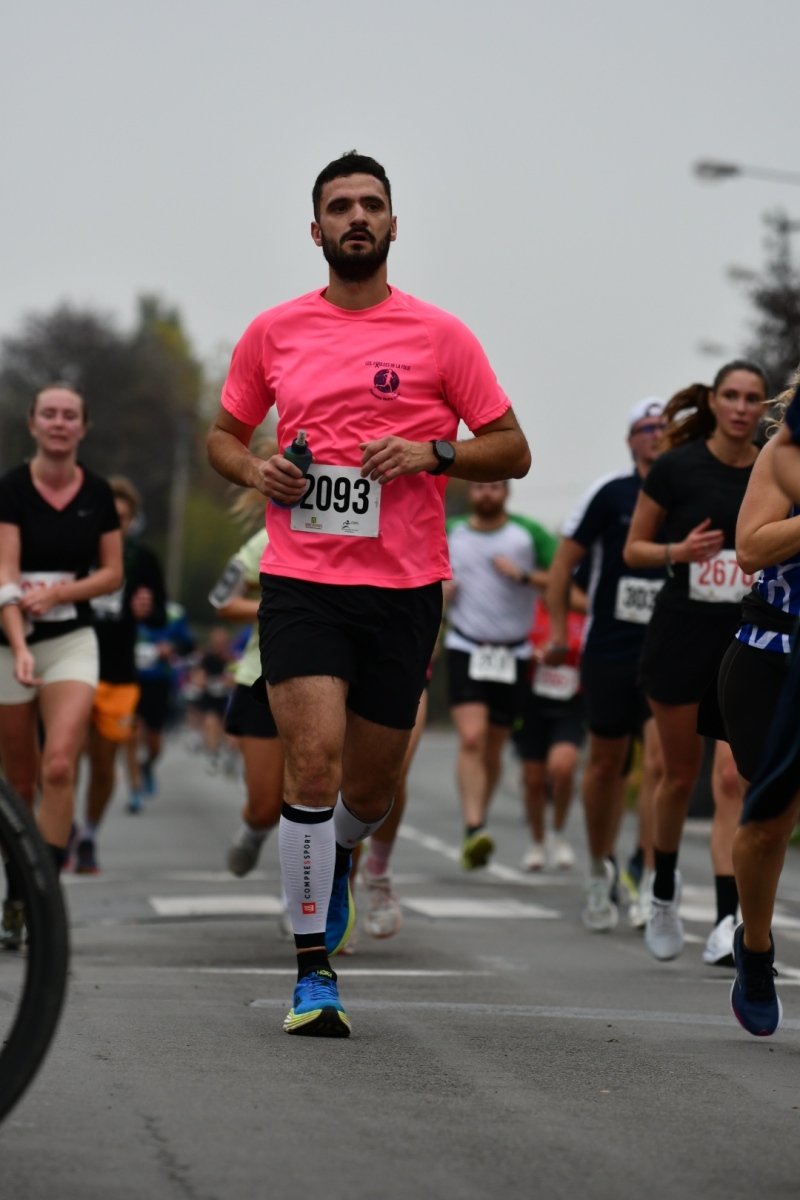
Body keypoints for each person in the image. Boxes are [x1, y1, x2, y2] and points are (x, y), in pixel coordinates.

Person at [207, 150, 530, 1037]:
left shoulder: (442, 336)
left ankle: (342, 854)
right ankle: (312, 973)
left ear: (393, 225)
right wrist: (258, 469)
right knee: (311, 767)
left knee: (372, 789)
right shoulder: (274, 331)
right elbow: (224, 437)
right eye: (341, 205)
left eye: (371, 204)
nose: (357, 216)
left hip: (405, 588)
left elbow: (512, 447)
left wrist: (436, 452)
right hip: (304, 580)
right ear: (316, 231)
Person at [624, 361, 766, 964]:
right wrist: (677, 552)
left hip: (745, 638)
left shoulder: (773, 467)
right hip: (681, 634)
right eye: (731, 395)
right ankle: (662, 889)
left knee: (733, 778)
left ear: (765, 408)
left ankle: (727, 919)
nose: (741, 407)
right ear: (712, 401)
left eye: (753, 398)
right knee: (678, 774)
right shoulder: (677, 466)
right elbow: (634, 549)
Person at [0, 384, 122, 943]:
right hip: (11, 643)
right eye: (48, 413)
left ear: (83, 428)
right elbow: (6, 577)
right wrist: (21, 646)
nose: (58, 422)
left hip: (71, 639)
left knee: (58, 766)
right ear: (32, 424)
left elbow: (112, 574)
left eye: (69, 415)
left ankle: (40, 896)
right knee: (20, 781)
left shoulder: (97, 493)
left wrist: (60, 594)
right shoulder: (10, 488)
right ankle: (16, 888)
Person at [546, 399, 665, 932]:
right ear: (630, 439)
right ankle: (599, 866)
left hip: (668, 647)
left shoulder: (687, 487)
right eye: (647, 426)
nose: (657, 434)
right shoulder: (609, 492)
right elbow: (562, 565)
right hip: (610, 647)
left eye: (665, 426)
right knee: (605, 765)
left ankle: (649, 873)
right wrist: (557, 632)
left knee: (661, 763)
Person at [715, 374, 800, 1035]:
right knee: (770, 825)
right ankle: (756, 945)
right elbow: (749, 549)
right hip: (774, 655)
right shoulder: (783, 455)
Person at [444, 482, 557, 868]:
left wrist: (524, 575)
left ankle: (479, 816)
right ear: (470, 493)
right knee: (472, 738)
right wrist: (439, 586)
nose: (486, 494)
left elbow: (562, 577)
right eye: (479, 488)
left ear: (507, 492)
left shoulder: (528, 533)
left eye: (494, 487)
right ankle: (474, 826)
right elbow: (416, 566)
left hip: (513, 652)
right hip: (466, 645)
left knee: (493, 747)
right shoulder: (452, 530)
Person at [73, 476, 166, 870]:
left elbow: (160, 617)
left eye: (122, 517)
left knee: (103, 762)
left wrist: (148, 610)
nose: (113, 522)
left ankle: (88, 835)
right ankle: (63, 829)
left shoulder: (143, 559)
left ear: (132, 521)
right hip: (74, 669)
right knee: (63, 757)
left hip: (119, 675)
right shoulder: (74, 552)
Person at [207, 483, 285, 892]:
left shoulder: (366, 529)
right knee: (266, 806)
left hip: (343, 676)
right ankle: (254, 830)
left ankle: (312, 905)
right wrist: (280, 608)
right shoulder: (272, 536)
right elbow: (222, 600)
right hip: (265, 675)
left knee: (333, 804)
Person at [513, 595, 586, 871]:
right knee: (534, 781)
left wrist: (560, 648)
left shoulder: (581, 610)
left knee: (562, 768)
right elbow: (516, 644)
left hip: (571, 703)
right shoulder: (530, 609)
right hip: (532, 703)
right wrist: (534, 652)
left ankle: (558, 832)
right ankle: (537, 842)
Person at [130, 600, 194, 800]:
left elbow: (188, 645)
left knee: (154, 742)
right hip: (130, 680)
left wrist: (171, 648)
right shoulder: (127, 605)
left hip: (159, 683)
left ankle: (147, 765)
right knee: (132, 733)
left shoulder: (174, 613)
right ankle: (135, 789)